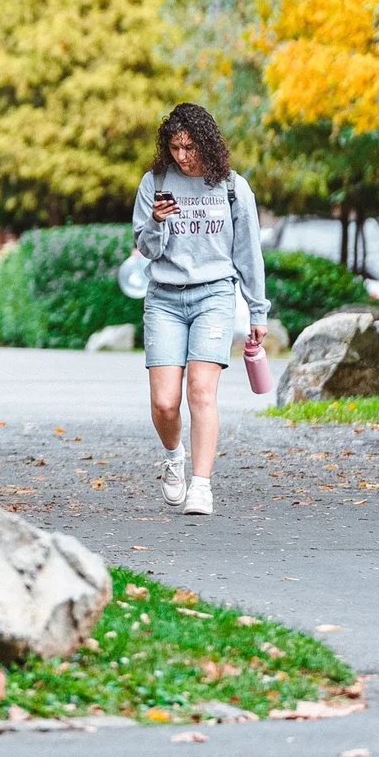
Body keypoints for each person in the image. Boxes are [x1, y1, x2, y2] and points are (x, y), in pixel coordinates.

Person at [131, 103, 266, 517]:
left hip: (214, 296)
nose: (182, 156)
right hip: (165, 299)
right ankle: (175, 459)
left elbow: (249, 254)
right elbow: (146, 250)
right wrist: (155, 221)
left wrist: (258, 312)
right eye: (175, 147)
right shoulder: (154, 182)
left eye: (189, 146)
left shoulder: (231, 187)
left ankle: (202, 486)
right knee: (165, 403)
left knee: (201, 393)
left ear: (206, 143)